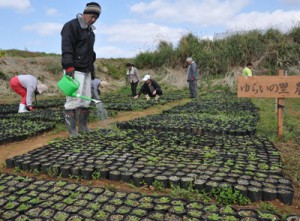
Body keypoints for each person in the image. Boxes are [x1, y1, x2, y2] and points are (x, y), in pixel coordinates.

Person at [61, 2, 101, 137]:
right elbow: (67, 47)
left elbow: (91, 54)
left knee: (86, 100)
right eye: (92, 16)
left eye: (96, 17)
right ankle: (72, 131)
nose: (94, 19)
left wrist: (92, 71)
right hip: (74, 69)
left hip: (86, 70)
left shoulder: (91, 33)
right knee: (73, 99)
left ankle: (83, 127)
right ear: (85, 13)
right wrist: (68, 66)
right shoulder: (71, 26)